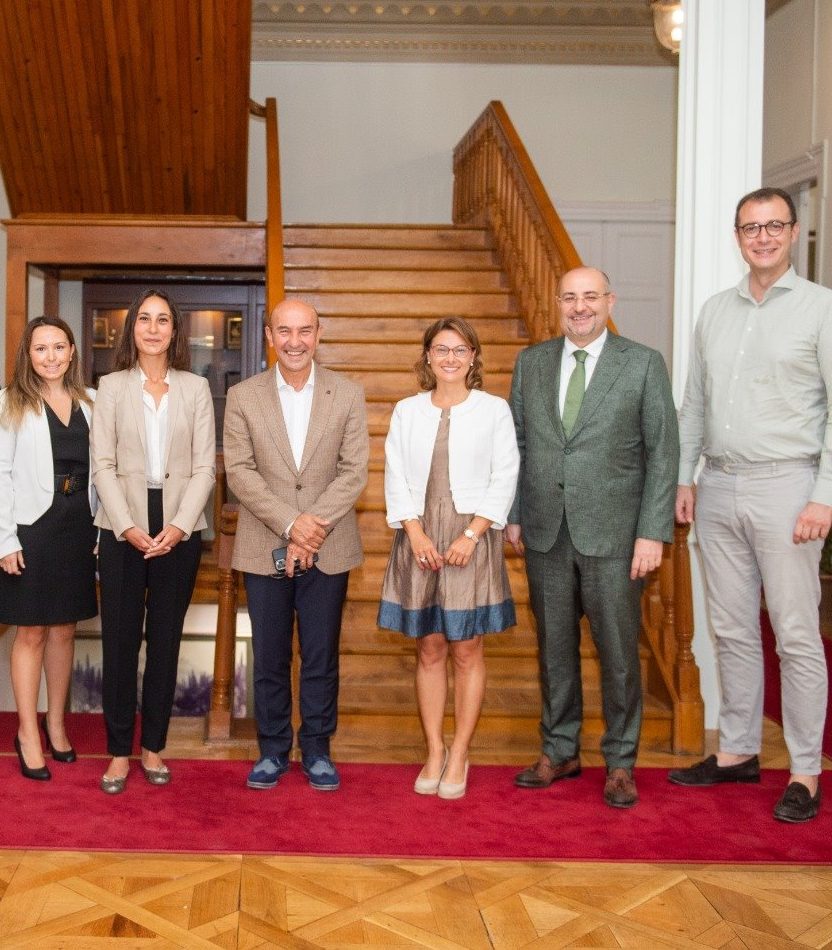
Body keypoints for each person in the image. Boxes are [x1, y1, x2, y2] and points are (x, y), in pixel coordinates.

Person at [670, 186, 832, 824]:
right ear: (737, 237)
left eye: (774, 225)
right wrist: (685, 476)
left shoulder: (826, 310)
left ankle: (805, 771)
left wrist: (823, 498)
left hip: (789, 488)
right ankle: (737, 753)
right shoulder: (714, 312)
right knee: (730, 629)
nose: (763, 237)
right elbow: (695, 403)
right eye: (751, 227)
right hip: (718, 486)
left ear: (794, 232)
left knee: (796, 633)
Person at [507, 266, 678, 809]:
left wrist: (652, 532)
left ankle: (621, 761)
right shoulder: (531, 363)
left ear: (610, 301)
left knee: (619, 654)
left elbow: (663, 451)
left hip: (616, 536)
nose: (579, 307)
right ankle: (559, 750)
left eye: (590, 297)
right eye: (569, 298)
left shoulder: (643, 363)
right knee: (554, 649)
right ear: (558, 303)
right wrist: (514, 513)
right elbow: (518, 444)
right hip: (545, 530)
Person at [224, 299, 368, 791]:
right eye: (284, 331)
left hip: (331, 544)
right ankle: (272, 749)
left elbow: (354, 472)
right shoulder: (243, 396)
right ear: (269, 336)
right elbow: (240, 471)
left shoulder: (346, 394)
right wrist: (291, 525)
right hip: (263, 543)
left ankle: (318, 749)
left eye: (304, 330)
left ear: (319, 334)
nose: (294, 341)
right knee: (269, 656)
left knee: (321, 655)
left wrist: (311, 528)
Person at [380, 316, 518, 800]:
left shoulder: (494, 410)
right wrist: (415, 533)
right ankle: (434, 750)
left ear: (473, 356)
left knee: (467, 648)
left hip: (471, 540)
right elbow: (395, 473)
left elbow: (505, 474)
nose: (451, 358)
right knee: (431, 646)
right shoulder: (407, 410)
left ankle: (460, 752)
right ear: (428, 356)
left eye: (460, 349)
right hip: (419, 537)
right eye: (441, 349)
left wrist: (472, 534)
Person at [90, 289, 215, 794]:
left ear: (174, 331)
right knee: (120, 642)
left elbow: (206, 466)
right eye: (144, 319)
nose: (153, 328)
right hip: (122, 525)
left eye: (163, 320)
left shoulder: (196, 388)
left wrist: (180, 526)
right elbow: (102, 465)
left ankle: (154, 747)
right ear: (132, 328)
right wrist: (126, 526)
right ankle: (119, 752)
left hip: (179, 525)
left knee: (165, 641)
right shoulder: (110, 387)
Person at [0, 316, 98, 781]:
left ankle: (56, 723)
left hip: (80, 523)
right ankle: (27, 731)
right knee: (31, 631)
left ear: (72, 352)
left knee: (65, 629)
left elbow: (103, 469)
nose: (51, 356)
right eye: (41, 348)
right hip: (31, 526)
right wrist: (4, 539)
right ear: (27, 355)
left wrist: (102, 530)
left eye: (59, 347)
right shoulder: (9, 401)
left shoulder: (92, 401)